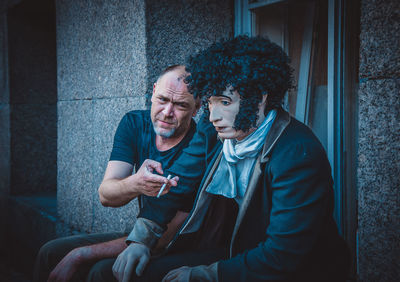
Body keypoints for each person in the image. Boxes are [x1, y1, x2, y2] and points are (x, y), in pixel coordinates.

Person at [113, 36, 350, 282]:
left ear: (260, 98)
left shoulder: (297, 153)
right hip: (240, 250)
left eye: (225, 102)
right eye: (210, 102)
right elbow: (176, 181)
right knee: (123, 273)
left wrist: (203, 276)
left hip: (299, 270)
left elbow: (283, 255)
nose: (213, 116)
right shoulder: (213, 129)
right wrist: (141, 239)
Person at [33, 65, 200, 282]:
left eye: (180, 105)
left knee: (100, 272)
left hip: (175, 241)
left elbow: (165, 237)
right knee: (50, 252)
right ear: (153, 91)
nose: (167, 112)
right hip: (140, 232)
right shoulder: (134, 123)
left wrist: (81, 254)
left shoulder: (198, 145)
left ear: (196, 108)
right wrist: (136, 184)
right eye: (162, 99)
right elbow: (106, 195)